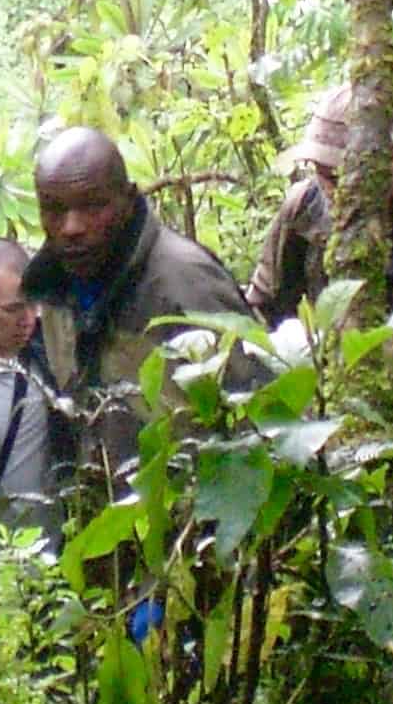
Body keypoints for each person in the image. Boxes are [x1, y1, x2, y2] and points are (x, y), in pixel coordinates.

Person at [24, 126, 260, 502]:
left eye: (92, 206)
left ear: (129, 200)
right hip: (108, 530)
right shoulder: (54, 288)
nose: (71, 228)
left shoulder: (184, 284)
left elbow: (255, 421)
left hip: (189, 532)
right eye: (54, 210)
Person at [245, 84, 393, 383]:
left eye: (340, 175)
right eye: (321, 171)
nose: (330, 189)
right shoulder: (305, 205)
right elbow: (261, 309)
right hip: (319, 383)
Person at [0, 236, 58, 545]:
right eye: (13, 309)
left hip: (51, 566)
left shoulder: (50, 353)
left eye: (33, 304)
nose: (27, 320)